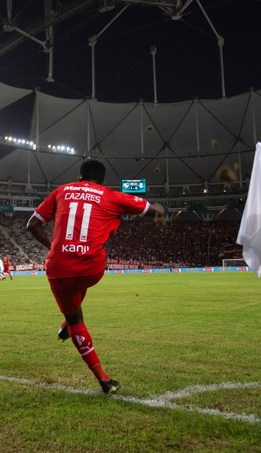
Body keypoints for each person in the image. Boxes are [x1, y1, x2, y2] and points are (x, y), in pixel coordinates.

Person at [27, 159, 165, 395]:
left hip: (59, 268)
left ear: (79, 178)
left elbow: (32, 225)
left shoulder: (61, 191)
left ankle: (102, 377)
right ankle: (69, 329)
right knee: (79, 284)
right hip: (92, 269)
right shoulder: (111, 195)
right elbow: (155, 212)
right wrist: (159, 206)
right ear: (102, 181)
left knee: (75, 318)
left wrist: (54, 248)